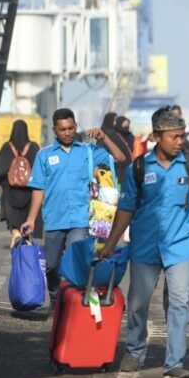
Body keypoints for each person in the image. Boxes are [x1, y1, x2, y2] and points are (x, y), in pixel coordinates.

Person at [99, 107, 189, 378]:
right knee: (138, 302)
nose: (180, 141)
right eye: (174, 137)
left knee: (179, 302)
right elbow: (126, 208)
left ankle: (174, 361)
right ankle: (135, 350)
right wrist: (110, 244)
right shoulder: (138, 167)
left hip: (180, 247)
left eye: (181, 136)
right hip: (144, 248)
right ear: (156, 136)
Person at [21, 108, 126, 301]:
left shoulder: (88, 151)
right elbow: (38, 189)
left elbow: (120, 158)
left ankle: (72, 302)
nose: (67, 132)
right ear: (54, 130)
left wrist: (105, 138)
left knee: (74, 260)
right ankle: (55, 297)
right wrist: (31, 219)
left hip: (80, 219)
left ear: (75, 127)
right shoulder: (44, 155)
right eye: (62, 129)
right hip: (53, 219)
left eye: (70, 128)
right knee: (52, 265)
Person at [0, 120, 41, 248]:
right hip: (30, 191)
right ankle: (25, 237)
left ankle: (15, 233)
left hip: (10, 192)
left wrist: (6, 184)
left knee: (12, 215)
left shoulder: (6, 148)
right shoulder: (34, 147)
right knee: (28, 215)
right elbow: (41, 170)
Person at [99, 112, 133, 184]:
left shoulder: (116, 134)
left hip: (117, 168)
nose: (116, 122)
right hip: (111, 170)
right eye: (115, 120)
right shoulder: (107, 135)